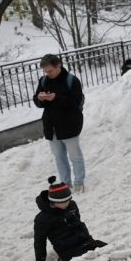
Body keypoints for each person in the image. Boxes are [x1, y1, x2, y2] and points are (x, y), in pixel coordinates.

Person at [33, 54, 86, 193]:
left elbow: (75, 102)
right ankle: (65, 183)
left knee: (75, 156)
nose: (47, 74)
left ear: (58, 66)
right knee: (59, 157)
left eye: (50, 70)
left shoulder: (71, 81)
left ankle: (79, 182)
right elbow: (37, 101)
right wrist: (40, 99)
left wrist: (56, 97)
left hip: (70, 125)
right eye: (45, 71)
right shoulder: (44, 81)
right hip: (51, 126)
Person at [33, 177, 107, 261]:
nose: (67, 204)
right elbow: (39, 243)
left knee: (107, 250)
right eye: (63, 202)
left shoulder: (72, 205)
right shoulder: (42, 219)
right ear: (53, 201)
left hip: (86, 242)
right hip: (68, 250)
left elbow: (78, 222)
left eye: (68, 200)